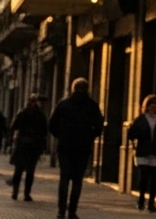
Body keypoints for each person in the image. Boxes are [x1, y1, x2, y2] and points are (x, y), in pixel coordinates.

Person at [48, 78, 104, 219]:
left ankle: (61, 211)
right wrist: (90, 136)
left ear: (72, 88)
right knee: (77, 180)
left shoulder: (64, 104)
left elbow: (52, 124)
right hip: (83, 147)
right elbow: (99, 126)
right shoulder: (92, 105)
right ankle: (72, 211)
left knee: (64, 178)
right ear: (87, 89)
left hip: (65, 146)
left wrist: (60, 135)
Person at [9, 95, 48, 202]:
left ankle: (15, 192)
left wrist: (14, 138)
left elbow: (13, 126)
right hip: (34, 146)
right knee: (30, 171)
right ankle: (26, 194)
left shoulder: (22, 113)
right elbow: (45, 131)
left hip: (22, 145)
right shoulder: (40, 115)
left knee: (19, 170)